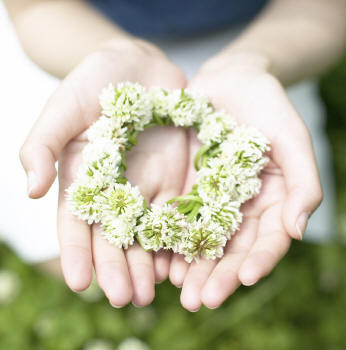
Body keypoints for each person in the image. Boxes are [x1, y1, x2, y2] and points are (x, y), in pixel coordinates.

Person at [2, 0, 345, 312]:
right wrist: (113, 51)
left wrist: (255, 62)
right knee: (60, 252)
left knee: (268, 207)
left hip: (268, 36)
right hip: (77, 39)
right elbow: (35, 7)